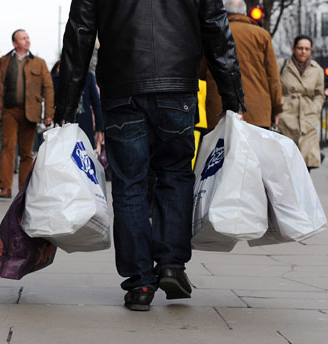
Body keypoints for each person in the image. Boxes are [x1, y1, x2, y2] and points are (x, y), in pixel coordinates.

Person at [56, 0, 246, 311]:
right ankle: (171, 264)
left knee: (129, 183)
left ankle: (139, 282)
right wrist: (232, 96)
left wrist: (66, 105)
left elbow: (79, 34)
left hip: (121, 88)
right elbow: (217, 29)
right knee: (175, 174)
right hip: (177, 85)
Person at [0, 29, 54, 198]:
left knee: (26, 152)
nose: (27, 40)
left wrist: (49, 113)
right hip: (9, 111)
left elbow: (48, 88)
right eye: (23, 38)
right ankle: (5, 188)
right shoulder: (4, 61)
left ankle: (23, 189)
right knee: (7, 148)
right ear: (15, 43)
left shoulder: (39, 62)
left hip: (31, 112)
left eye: (28, 37)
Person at [201, 0, 282, 129]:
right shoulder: (262, 35)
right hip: (257, 111)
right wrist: (277, 107)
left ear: (224, 13)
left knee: (224, 148)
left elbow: (201, 71)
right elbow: (273, 77)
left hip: (220, 109)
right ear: (245, 13)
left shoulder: (214, 35)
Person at [277, 35, 325, 170]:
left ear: (311, 50)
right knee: (286, 164)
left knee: (305, 165)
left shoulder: (317, 69)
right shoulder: (282, 65)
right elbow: (274, 88)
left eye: (307, 49)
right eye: (300, 48)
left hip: (308, 117)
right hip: (286, 117)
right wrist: (280, 107)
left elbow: (319, 94)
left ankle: (302, 191)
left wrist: (316, 108)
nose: (303, 51)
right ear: (293, 49)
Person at [51, 60, 103, 148]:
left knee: (85, 152)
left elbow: (96, 104)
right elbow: (53, 101)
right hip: (64, 122)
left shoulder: (88, 77)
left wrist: (100, 128)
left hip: (84, 122)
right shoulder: (57, 79)